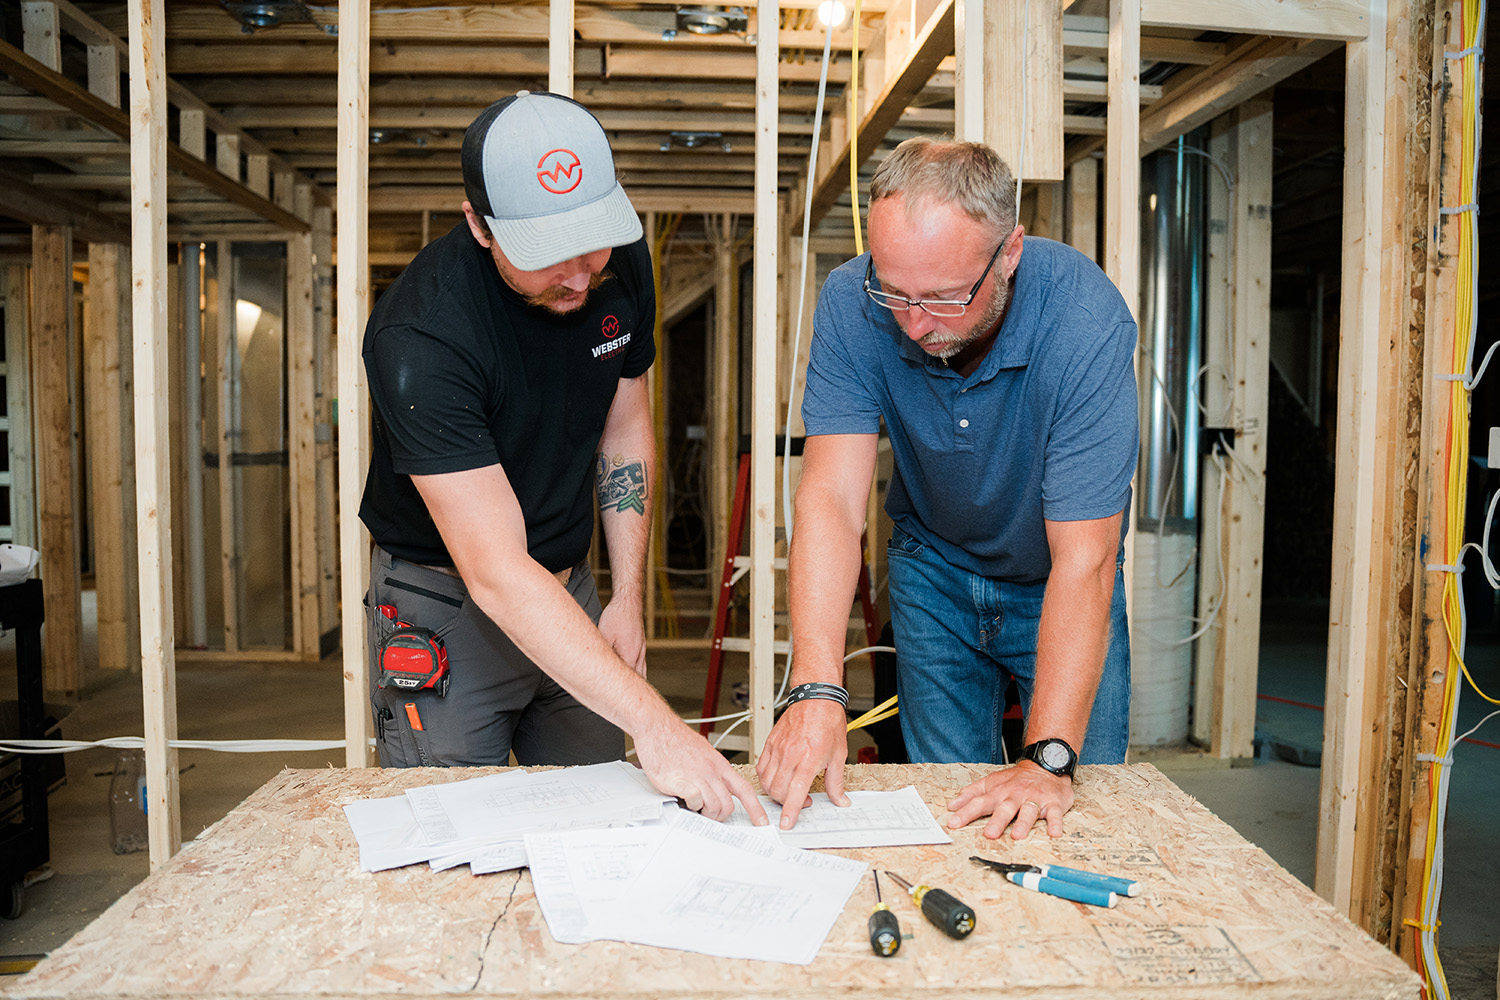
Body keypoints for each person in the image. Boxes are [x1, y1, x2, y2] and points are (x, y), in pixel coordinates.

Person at [359, 91, 766, 825]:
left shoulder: (618, 257)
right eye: (549, 255)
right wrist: (656, 722)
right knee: (457, 835)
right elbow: (497, 572)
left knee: (602, 821)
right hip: (449, 601)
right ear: (479, 225)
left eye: (591, 246)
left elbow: (622, 427)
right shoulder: (421, 336)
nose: (580, 277)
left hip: (569, 587)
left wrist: (625, 597)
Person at [757, 137, 1137, 839]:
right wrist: (816, 686)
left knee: (1069, 810)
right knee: (947, 813)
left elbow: (1086, 558)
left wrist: (1049, 758)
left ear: (1011, 251)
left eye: (943, 297)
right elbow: (833, 501)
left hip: (1057, 580)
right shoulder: (852, 302)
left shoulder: (1084, 322)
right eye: (893, 290)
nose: (914, 321)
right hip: (932, 574)